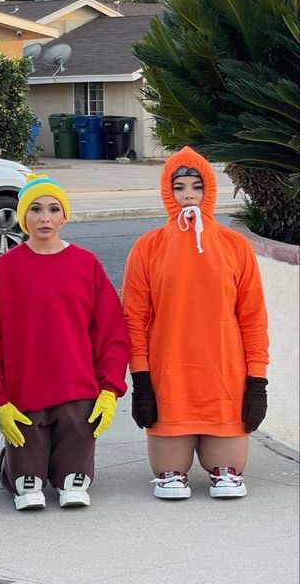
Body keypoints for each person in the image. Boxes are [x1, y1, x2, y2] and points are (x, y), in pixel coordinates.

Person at [122, 147, 270, 500]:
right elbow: (133, 319)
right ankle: (174, 470)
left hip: (224, 380)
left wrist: (257, 381)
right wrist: (141, 380)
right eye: (179, 187)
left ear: (210, 190)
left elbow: (253, 318)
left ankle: (222, 469)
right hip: (169, 379)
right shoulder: (148, 247)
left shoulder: (236, 246)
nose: (188, 194)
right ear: (166, 192)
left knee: (230, 467)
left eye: (196, 186)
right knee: (168, 471)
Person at [0, 174, 129, 511]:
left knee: (73, 477)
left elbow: (111, 331)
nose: (45, 218)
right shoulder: (3, 270)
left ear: (65, 216)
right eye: (35, 210)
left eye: (53, 209)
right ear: (23, 217)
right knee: (27, 480)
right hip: (25, 393)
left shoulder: (86, 264)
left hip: (77, 391)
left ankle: (68, 473)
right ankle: (18, 468)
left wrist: (109, 389)